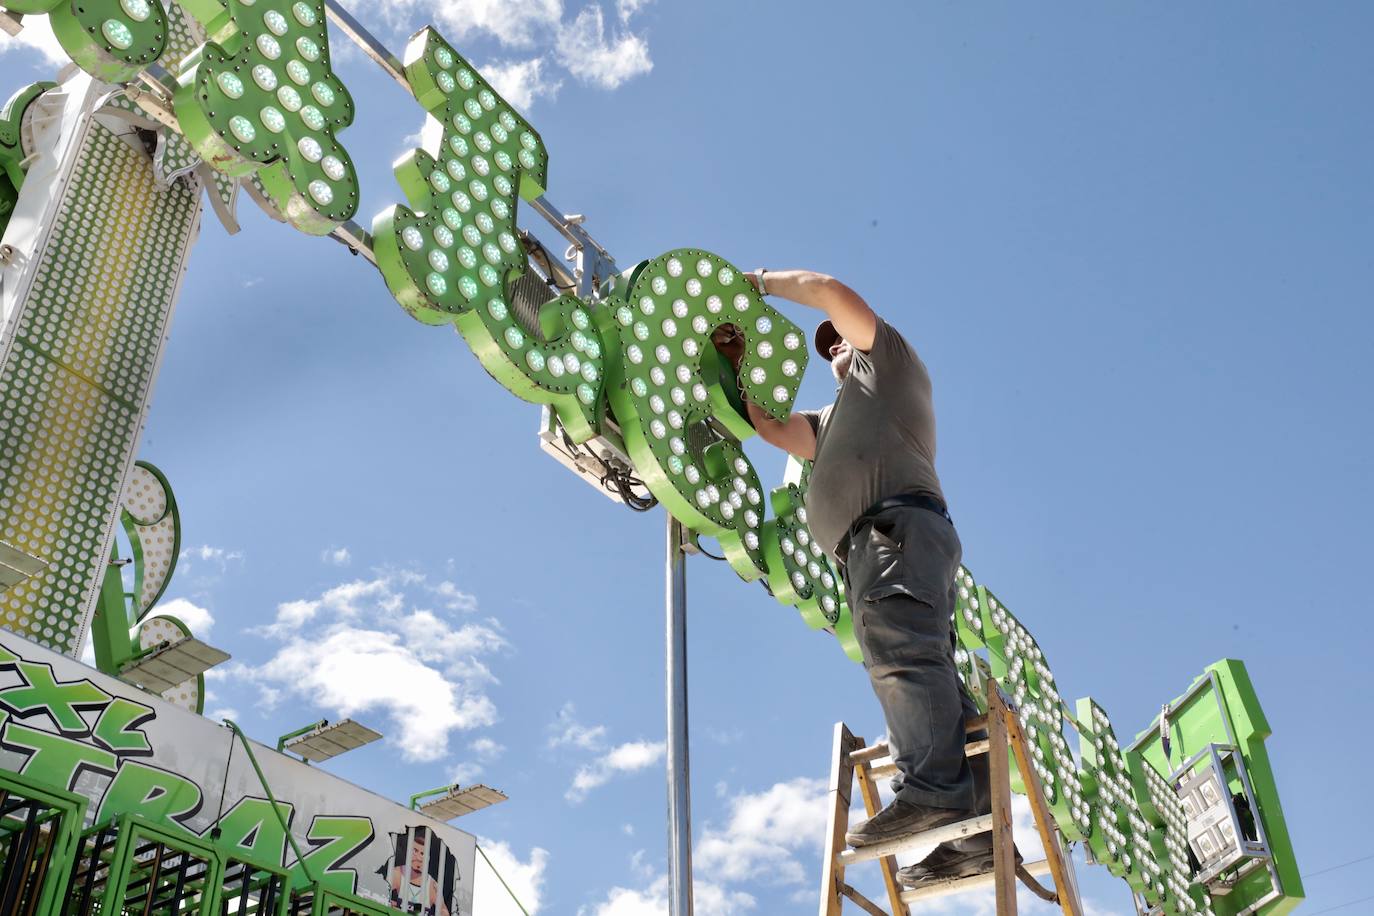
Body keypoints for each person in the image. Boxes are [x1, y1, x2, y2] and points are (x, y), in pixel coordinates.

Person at [723, 268, 1001, 886]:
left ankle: (932, 791)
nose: (837, 349)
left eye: (841, 340)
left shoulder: (891, 366)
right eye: (830, 350)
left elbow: (826, 290)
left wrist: (753, 284)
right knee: (925, 666)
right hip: (879, 544)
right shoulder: (831, 421)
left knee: (903, 654)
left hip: (895, 532)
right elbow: (771, 428)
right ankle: (974, 836)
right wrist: (741, 360)